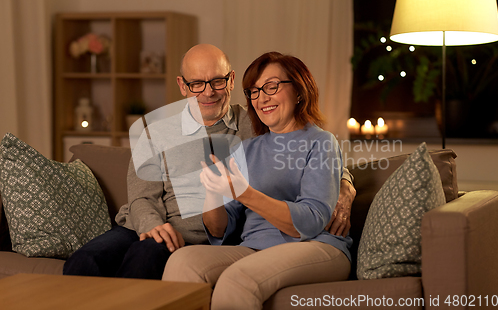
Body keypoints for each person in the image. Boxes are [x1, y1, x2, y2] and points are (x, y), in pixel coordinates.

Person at [63, 44, 355, 280]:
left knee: (145, 259)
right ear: (182, 85)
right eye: (196, 84)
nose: (208, 92)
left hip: (200, 235)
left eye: (217, 80)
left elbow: (308, 143)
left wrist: (345, 185)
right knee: (83, 262)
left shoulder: (255, 121)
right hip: (144, 226)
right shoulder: (155, 131)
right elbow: (140, 197)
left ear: (230, 79)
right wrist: (152, 225)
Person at [163, 51, 353, 309]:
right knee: (182, 261)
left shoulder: (321, 142)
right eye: (254, 91)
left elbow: (310, 221)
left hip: (316, 246)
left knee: (238, 278)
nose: (262, 97)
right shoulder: (247, 149)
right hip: (254, 248)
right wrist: (213, 192)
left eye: (271, 87)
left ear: (299, 90)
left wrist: (244, 193)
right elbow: (220, 229)